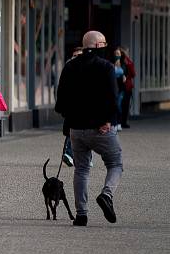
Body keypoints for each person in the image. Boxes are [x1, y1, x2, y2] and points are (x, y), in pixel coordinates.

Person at [55, 30, 123, 227]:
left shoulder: (70, 67)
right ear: (98, 45)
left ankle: (81, 214)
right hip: (101, 127)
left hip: (76, 129)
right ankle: (106, 195)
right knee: (115, 163)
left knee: (81, 169)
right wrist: (108, 119)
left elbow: (61, 101)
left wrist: (70, 118)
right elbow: (112, 97)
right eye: (104, 43)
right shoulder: (106, 67)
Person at [115, 47, 136, 129]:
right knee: (121, 105)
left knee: (124, 105)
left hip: (126, 86)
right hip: (123, 86)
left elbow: (133, 74)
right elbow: (133, 74)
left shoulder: (127, 62)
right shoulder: (126, 62)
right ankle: (120, 122)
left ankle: (122, 122)